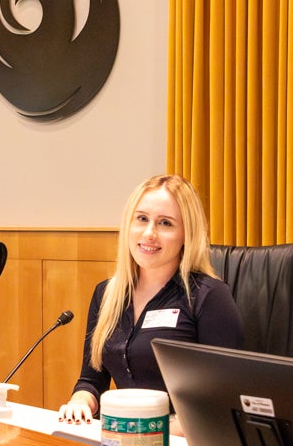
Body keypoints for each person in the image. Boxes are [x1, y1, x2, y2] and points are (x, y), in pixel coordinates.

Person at [57, 174, 243, 423]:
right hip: (124, 437)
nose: (149, 233)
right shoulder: (106, 295)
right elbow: (91, 381)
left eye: (165, 223)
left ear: (186, 234)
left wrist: (149, 427)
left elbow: (224, 403)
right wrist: (79, 401)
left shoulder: (209, 296)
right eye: (142, 219)